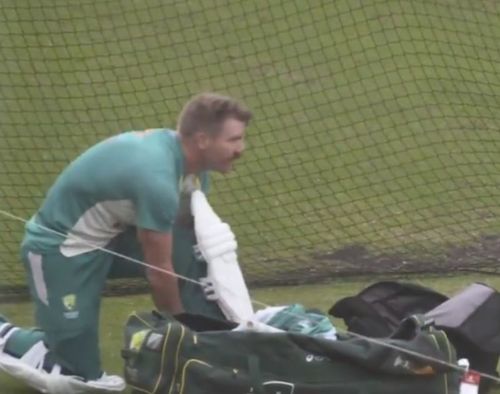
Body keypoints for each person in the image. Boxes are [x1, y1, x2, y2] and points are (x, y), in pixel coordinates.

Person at [0, 92, 252, 391]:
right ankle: (6, 334)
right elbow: (159, 272)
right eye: (234, 140)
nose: (241, 149)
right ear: (202, 140)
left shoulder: (193, 172)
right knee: (74, 377)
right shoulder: (157, 178)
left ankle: (212, 338)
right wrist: (178, 335)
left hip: (113, 239)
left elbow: (180, 247)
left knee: (194, 246)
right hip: (61, 249)